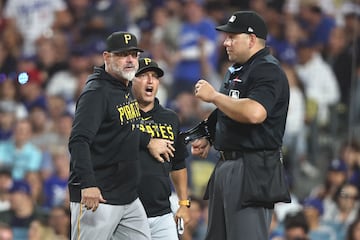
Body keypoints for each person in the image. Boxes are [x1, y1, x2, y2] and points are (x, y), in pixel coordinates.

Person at [191, 11, 290, 239]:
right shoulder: (237, 68)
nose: (225, 42)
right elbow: (230, 109)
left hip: (252, 169)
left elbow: (255, 112)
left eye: (232, 37)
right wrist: (210, 135)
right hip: (227, 164)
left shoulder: (268, 69)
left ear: (252, 39)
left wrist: (214, 96)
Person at [68, 31, 175, 240]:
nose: (130, 60)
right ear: (107, 57)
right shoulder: (96, 93)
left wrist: (147, 141)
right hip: (99, 196)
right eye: (122, 55)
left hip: (127, 197)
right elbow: (78, 141)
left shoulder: (124, 86)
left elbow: (125, 125)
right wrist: (88, 184)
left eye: (134, 55)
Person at [132, 57, 190, 240]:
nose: (150, 81)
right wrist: (148, 142)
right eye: (143, 75)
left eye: (154, 77)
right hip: (127, 211)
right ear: (130, 81)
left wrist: (183, 203)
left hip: (162, 212)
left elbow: (178, 164)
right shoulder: (120, 116)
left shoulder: (170, 118)